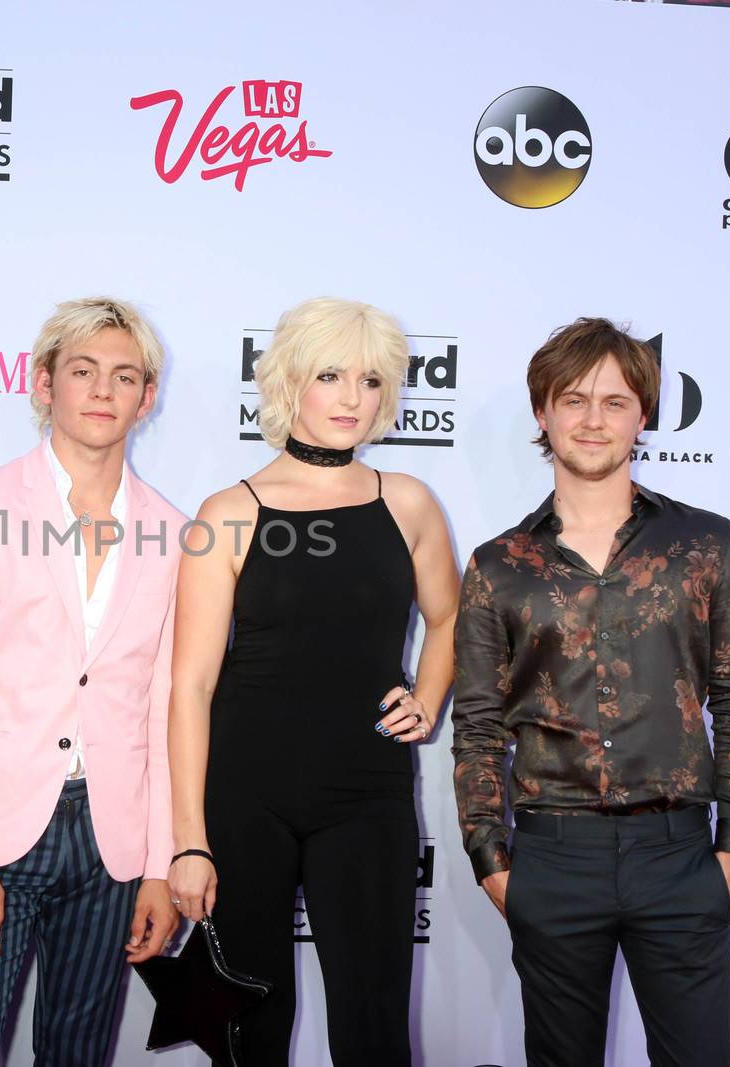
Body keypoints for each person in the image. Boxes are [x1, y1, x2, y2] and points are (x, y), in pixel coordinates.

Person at [451, 317, 730, 1067]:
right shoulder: (499, 565)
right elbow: (478, 726)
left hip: (682, 857)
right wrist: (492, 859)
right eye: (574, 399)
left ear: (644, 415)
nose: (594, 419)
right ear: (543, 413)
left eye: (615, 401)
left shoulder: (705, 543)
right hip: (554, 859)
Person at [165, 297, 459, 1065]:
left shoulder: (408, 503)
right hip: (245, 798)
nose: (352, 398)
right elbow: (190, 688)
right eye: (331, 375)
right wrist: (190, 841)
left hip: (368, 795)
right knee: (250, 1025)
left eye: (369, 380)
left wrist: (428, 697)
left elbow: (452, 619)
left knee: (373, 1024)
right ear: (291, 382)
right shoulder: (230, 511)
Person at [0, 297, 182, 1066]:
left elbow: (165, 709)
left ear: (147, 397)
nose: (103, 390)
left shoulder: (171, 529)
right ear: (43, 385)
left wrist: (160, 866)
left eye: (124, 376)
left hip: (112, 844)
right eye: (84, 371)